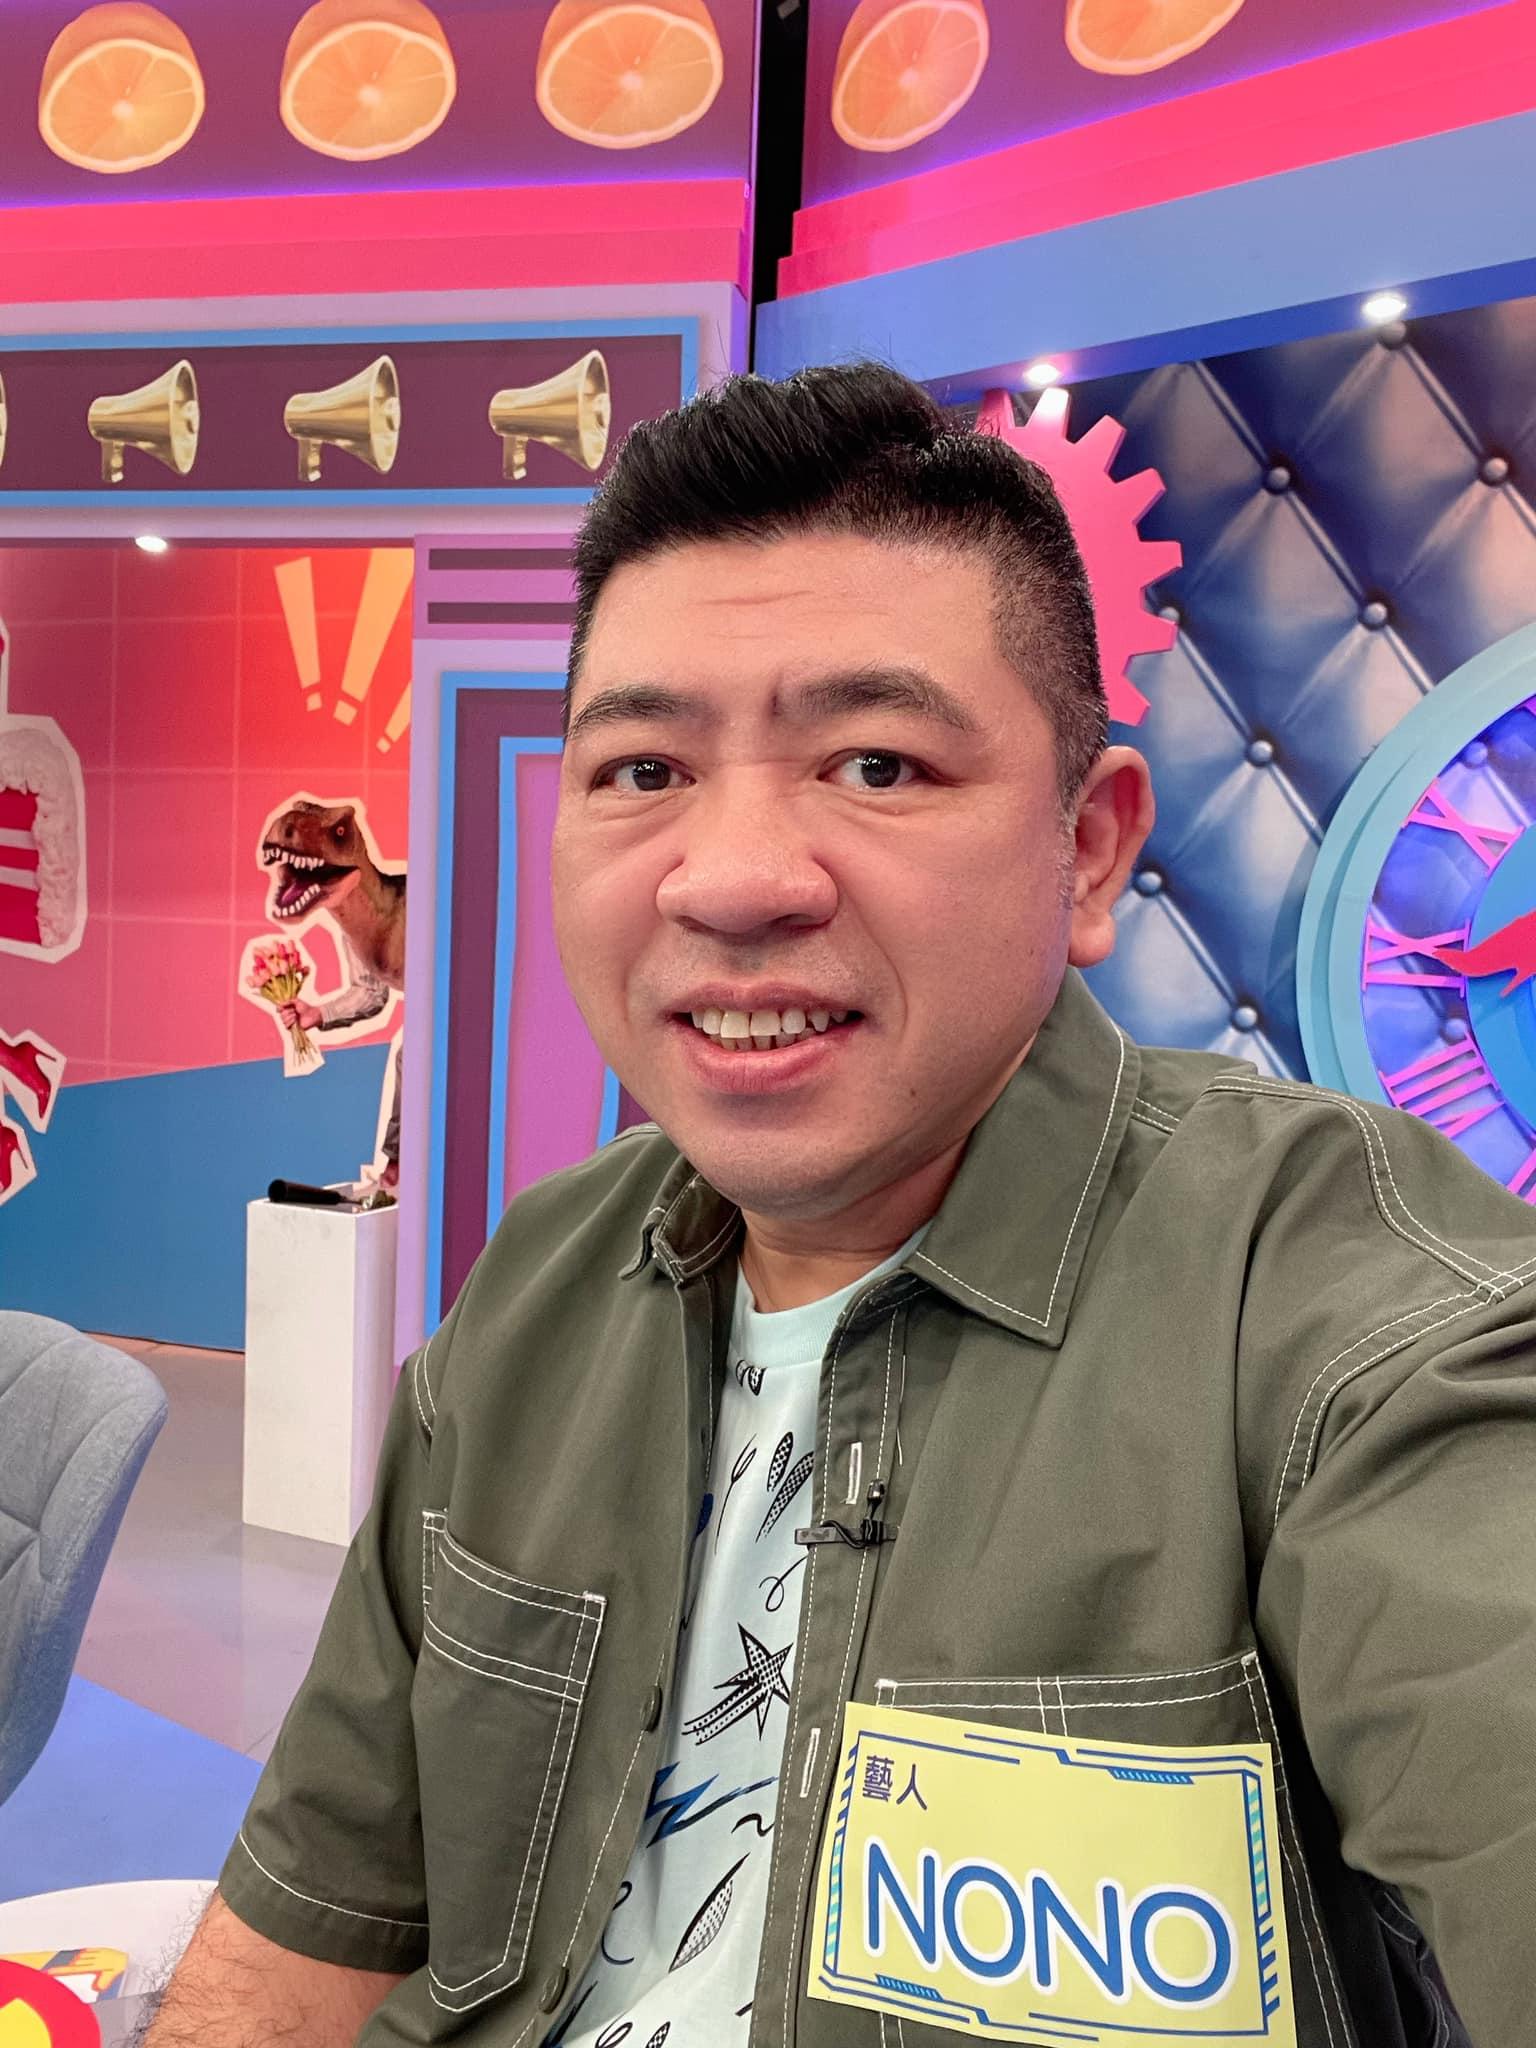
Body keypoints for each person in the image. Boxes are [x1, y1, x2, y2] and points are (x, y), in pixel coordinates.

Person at [143, 365, 1535, 2048]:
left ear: (1090, 850)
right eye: (641, 769)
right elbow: (320, 1909)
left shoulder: (1341, 1315)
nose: (732, 879)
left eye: (877, 763)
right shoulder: (535, 1291)